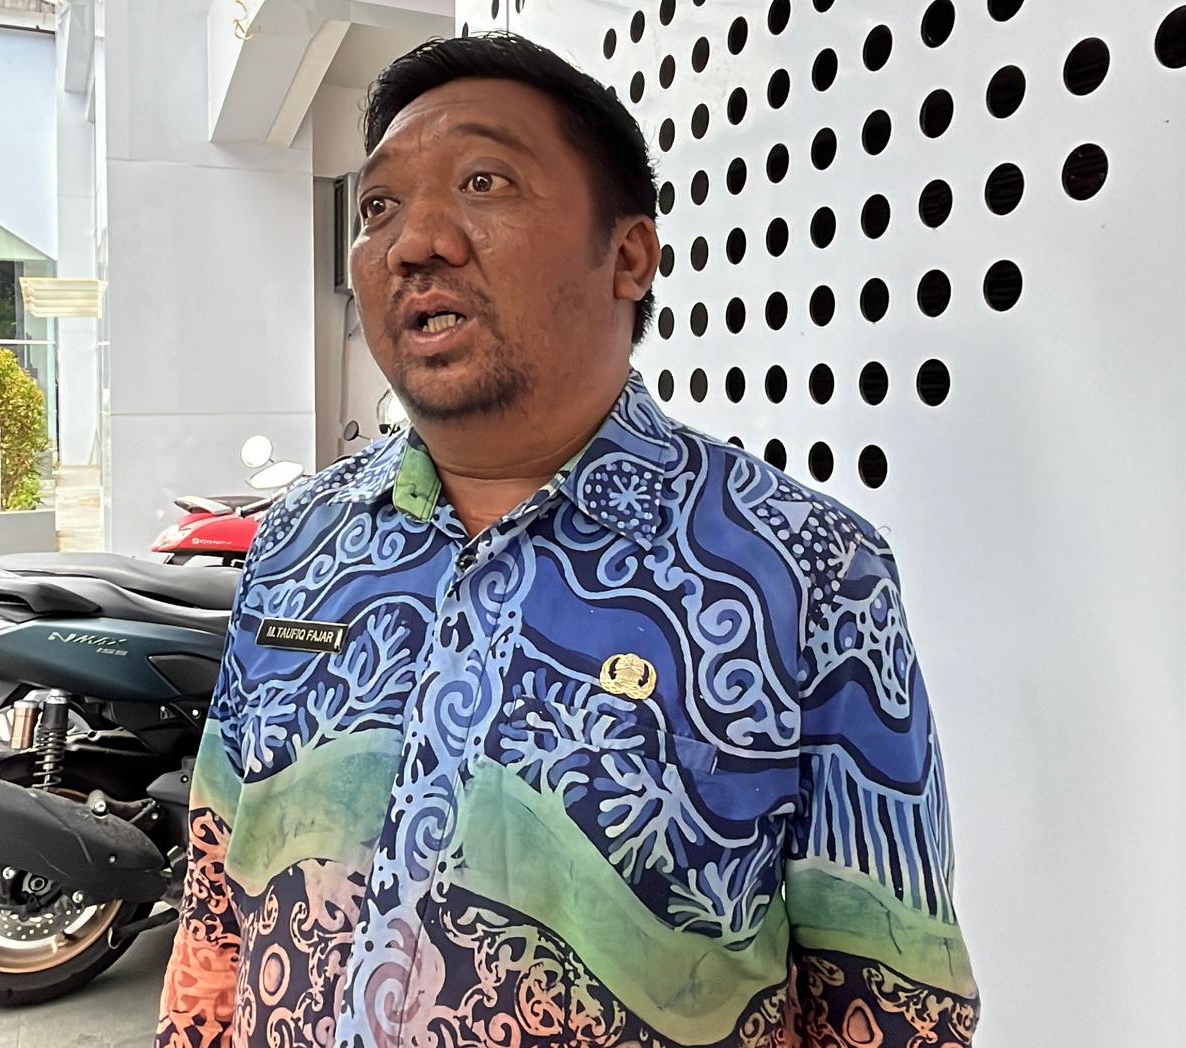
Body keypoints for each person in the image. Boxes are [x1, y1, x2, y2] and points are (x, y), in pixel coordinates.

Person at [156, 33, 979, 1048]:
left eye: (484, 181)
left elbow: (890, 1006)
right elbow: (215, 907)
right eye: (378, 207)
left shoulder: (806, 574)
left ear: (628, 256)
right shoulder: (296, 542)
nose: (414, 241)